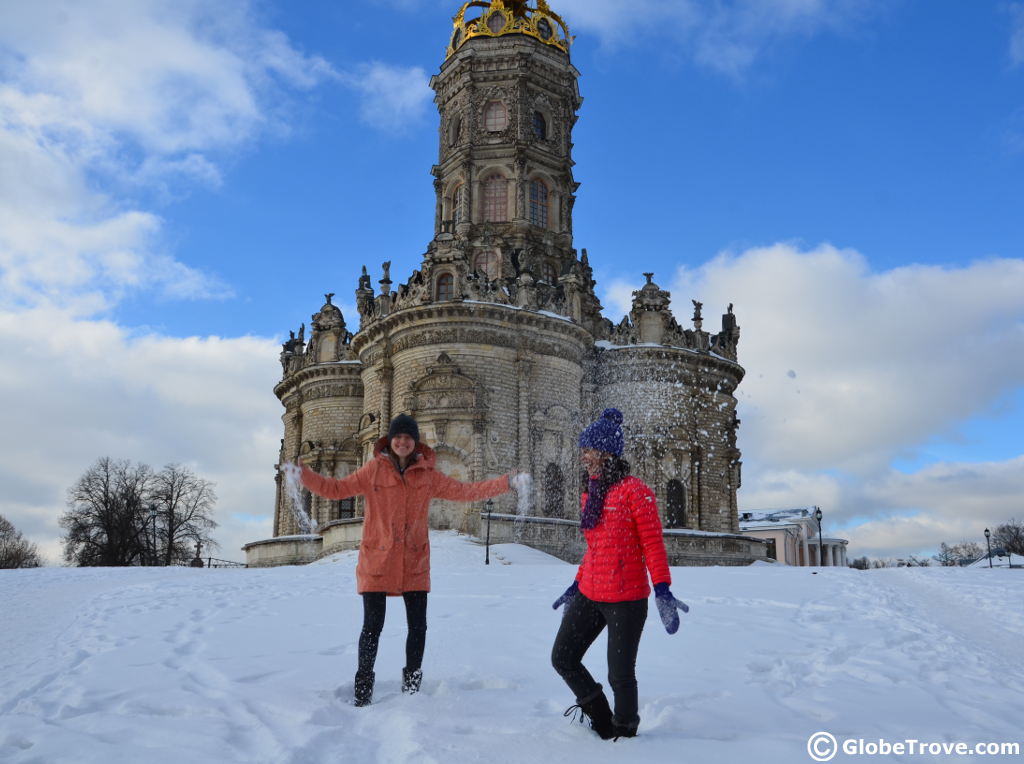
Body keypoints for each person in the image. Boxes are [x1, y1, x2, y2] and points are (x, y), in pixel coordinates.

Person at [294, 413, 514, 706]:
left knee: (418, 627)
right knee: (372, 627)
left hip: (414, 561)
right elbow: (336, 489)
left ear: (415, 442)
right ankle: (363, 686)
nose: (402, 442)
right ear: (390, 440)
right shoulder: (374, 470)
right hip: (378, 560)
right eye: (398, 437)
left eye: (408, 438)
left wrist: (504, 483)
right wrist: (304, 475)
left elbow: (464, 491)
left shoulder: (427, 475)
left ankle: (412, 684)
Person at [550, 408, 689, 740]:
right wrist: (576, 583)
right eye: (583, 450)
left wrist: (663, 589)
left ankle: (625, 734)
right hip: (590, 590)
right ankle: (601, 721)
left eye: (588, 450)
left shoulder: (635, 492)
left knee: (620, 675)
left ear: (606, 452)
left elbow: (653, 545)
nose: (583, 457)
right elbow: (596, 546)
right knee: (563, 658)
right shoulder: (592, 493)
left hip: (626, 598)